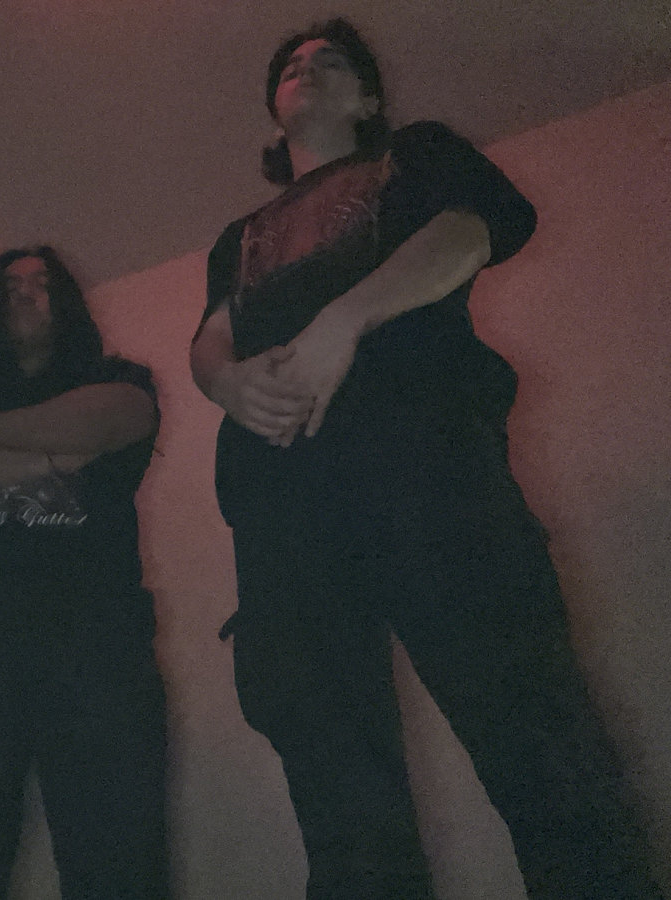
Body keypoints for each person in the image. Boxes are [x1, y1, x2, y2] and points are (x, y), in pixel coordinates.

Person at [190, 18, 664, 900]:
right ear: (273, 114)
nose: (308, 67)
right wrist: (224, 384)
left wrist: (343, 323)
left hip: (427, 463)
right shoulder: (239, 237)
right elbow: (211, 337)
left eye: (332, 60)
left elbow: (471, 231)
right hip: (281, 509)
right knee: (339, 799)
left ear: (368, 99)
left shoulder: (416, 154)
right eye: (293, 64)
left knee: (536, 740)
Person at [0, 246, 170, 899]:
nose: (23, 292)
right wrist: (44, 461)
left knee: (120, 873)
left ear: (66, 303)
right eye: (9, 285)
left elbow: (121, 416)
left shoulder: (116, 376)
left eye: (41, 283)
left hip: (97, 650)